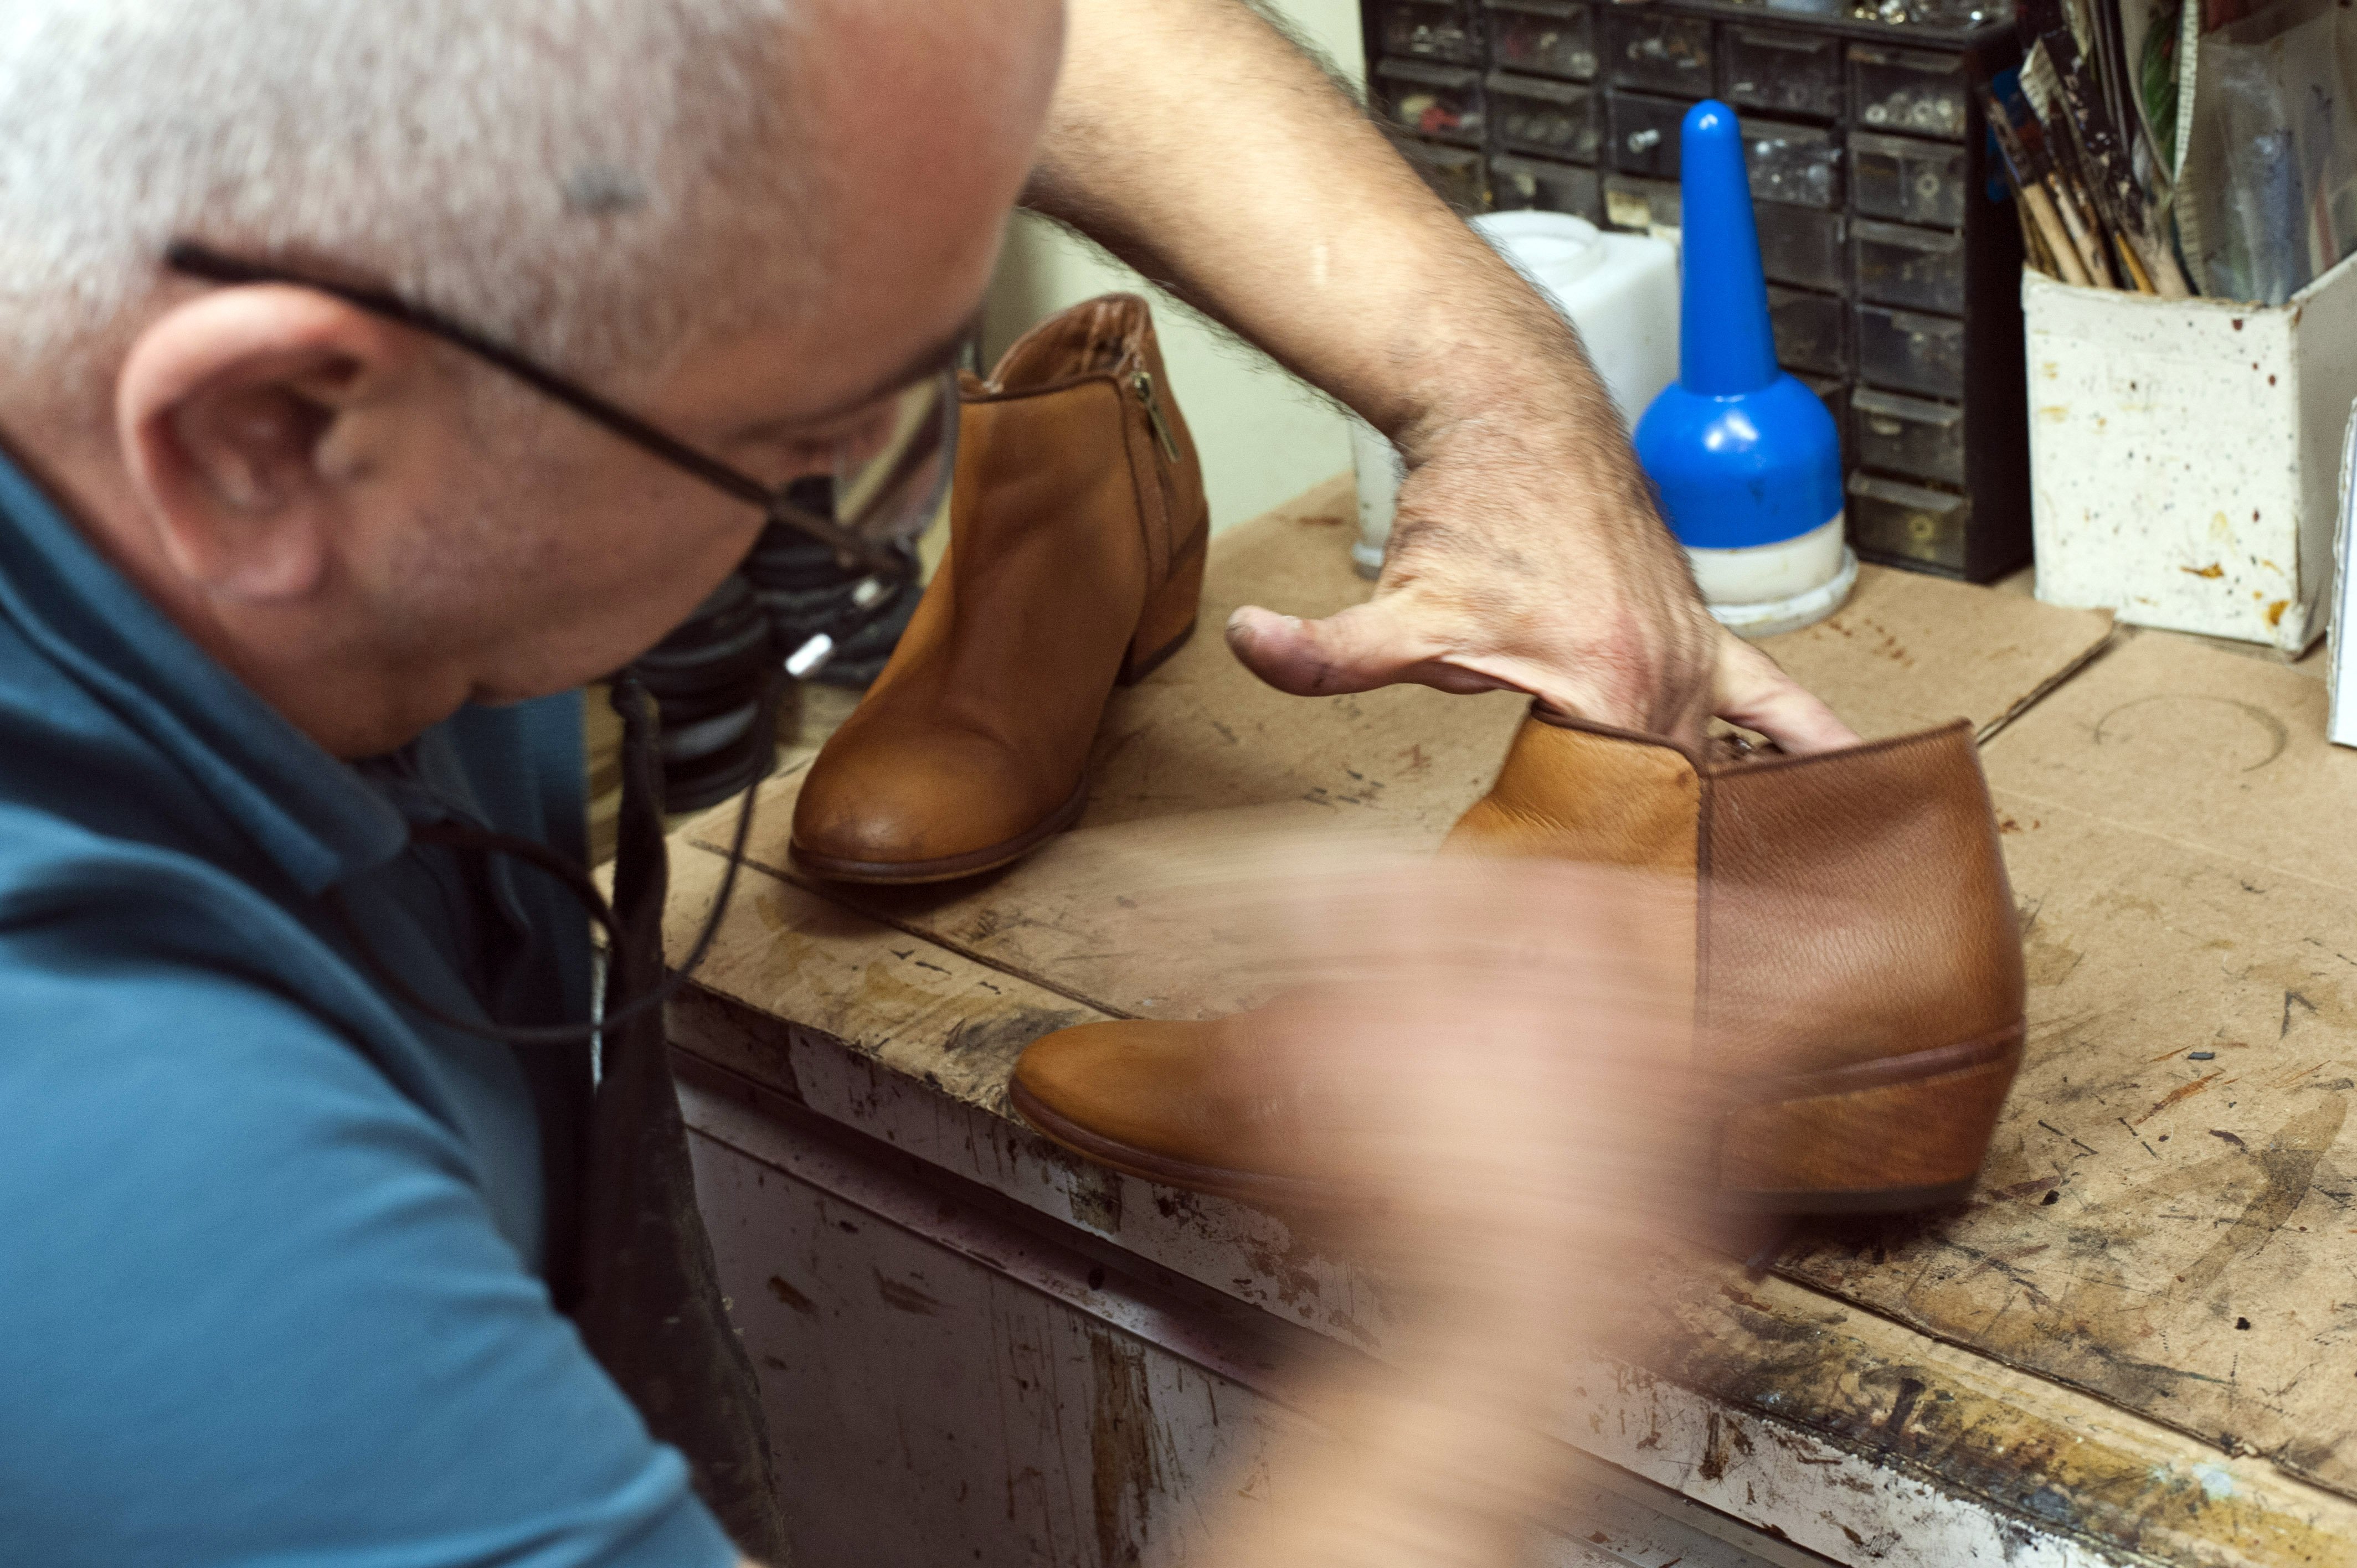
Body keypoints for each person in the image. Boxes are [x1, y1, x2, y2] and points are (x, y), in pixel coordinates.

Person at [0, 1, 1847, 1564]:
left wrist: (1495, 392)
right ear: (263, 441)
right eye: (811, 439)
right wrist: (1492, 1336)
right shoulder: (119, 1187)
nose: (854, 515)